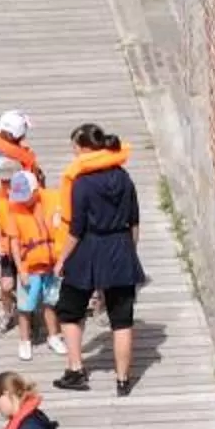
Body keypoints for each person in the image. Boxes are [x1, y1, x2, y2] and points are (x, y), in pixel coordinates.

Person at [57, 125, 145, 394]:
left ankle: (75, 370)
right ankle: (122, 380)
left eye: (74, 148)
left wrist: (61, 259)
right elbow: (134, 222)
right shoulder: (124, 178)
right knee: (122, 319)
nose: (73, 153)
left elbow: (76, 228)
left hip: (89, 249)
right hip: (120, 247)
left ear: (85, 149)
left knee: (69, 310)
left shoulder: (82, 183)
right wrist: (130, 251)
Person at [0, 109, 43, 325]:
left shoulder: (4, 156)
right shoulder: (21, 156)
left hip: (10, 213)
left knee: (6, 258)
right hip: (11, 212)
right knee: (6, 257)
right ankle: (11, 303)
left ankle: (18, 308)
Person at [0, 168, 61, 353]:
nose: (22, 200)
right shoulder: (13, 210)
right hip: (28, 267)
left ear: (35, 190)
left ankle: (53, 336)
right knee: (25, 307)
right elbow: (14, 243)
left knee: (50, 302)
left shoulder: (52, 200)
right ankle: (25, 341)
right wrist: (20, 270)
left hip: (50, 264)